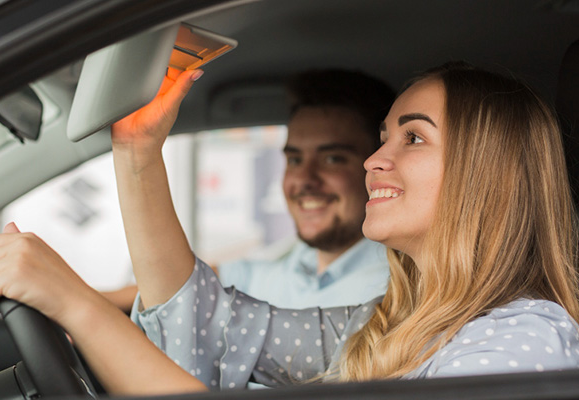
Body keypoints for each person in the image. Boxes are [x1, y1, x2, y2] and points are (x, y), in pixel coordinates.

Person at [0, 62, 579, 396]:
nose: (374, 161)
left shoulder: (527, 346)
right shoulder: (392, 326)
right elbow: (210, 321)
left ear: (485, 176)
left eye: (412, 138)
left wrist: (77, 305)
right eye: (383, 137)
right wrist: (138, 155)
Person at [102, 69, 395, 311]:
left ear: (378, 167)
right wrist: (91, 303)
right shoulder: (298, 263)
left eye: (333, 159)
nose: (304, 180)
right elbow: (194, 282)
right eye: (294, 159)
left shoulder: (394, 289)